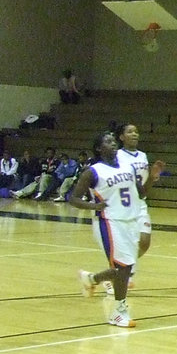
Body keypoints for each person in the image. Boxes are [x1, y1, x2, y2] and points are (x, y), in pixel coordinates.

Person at [70, 131, 161, 328]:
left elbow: (141, 193)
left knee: (125, 266)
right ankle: (118, 312)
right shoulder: (93, 171)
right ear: (98, 148)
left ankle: (92, 278)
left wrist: (152, 178)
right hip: (109, 222)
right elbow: (73, 198)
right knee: (124, 266)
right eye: (108, 142)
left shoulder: (127, 166)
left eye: (113, 142)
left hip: (130, 220)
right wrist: (94, 207)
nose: (113, 145)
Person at [117, 123, 163, 267]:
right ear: (121, 137)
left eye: (136, 131)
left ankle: (119, 270)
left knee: (144, 242)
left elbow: (144, 190)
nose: (135, 134)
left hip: (139, 202)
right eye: (130, 132)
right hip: (123, 204)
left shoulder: (143, 156)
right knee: (125, 245)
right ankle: (119, 274)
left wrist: (152, 177)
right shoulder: (117, 155)